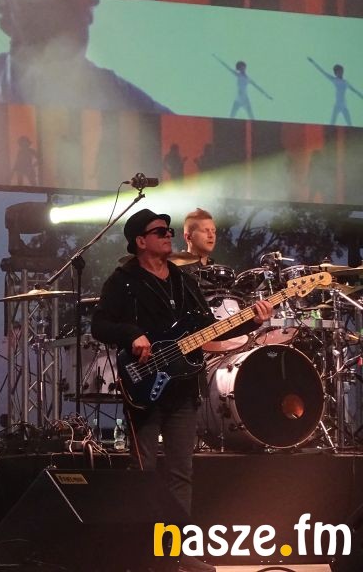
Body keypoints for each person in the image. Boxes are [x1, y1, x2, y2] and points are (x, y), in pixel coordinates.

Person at [91, 209, 272, 572]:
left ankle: (178, 553)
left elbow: (210, 328)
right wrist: (132, 334)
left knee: (181, 473)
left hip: (182, 388)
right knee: (143, 472)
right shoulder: (124, 280)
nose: (167, 235)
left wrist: (252, 319)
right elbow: (99, 325)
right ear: (140, 241)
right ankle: (142, 552)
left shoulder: (183, 281)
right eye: (159, 231)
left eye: (169, 230)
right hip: (143, 384)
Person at [0, 0, 172, 114]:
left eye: (71, 5)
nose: (57, 19)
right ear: (9, 17)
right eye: (38, 5)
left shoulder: (123, 97)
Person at [213, 54, 273, 119]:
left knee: (251, 117)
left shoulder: (248, 79)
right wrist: (216, 57)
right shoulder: (238, 75)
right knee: (231, 116)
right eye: (241, 68)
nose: (242, 69)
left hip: (245, 99)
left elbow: (258, 87)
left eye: (243, 67)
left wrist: (267, 96)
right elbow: (227, 67)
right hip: (238, 99)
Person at [307, 57, 363, 126]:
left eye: (341, 71)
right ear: (336, 73)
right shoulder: (334, 80)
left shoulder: (345, 82)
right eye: (338, 71)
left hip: (344, 106)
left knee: (350, 124)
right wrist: (313, 62)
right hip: (337, 105)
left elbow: (355, 91)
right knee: (332, 123)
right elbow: (323, 72)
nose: (340, 73)